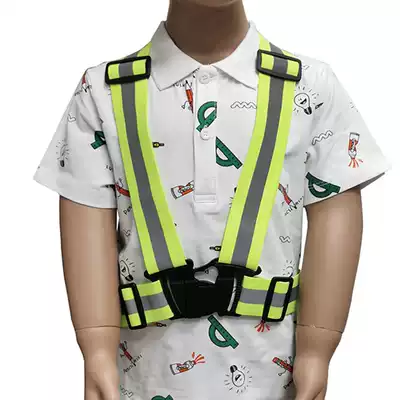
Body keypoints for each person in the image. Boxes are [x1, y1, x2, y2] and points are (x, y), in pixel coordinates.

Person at [32, 0, 391, 399]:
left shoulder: (311, 87)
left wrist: (317, 350)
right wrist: (96, 351)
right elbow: (86, 231)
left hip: (273, 378)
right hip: (144, 379)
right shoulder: (102, 92)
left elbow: (334, 219)